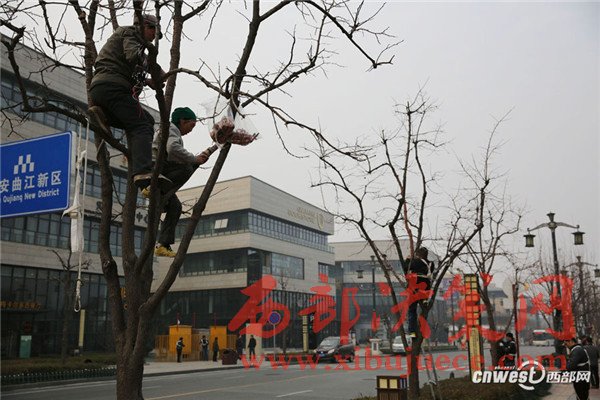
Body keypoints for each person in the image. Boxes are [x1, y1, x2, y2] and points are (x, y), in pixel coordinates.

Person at [88, 13, 170, 192]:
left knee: (145, 121)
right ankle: (142, 171)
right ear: (144, 26)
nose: (154, 37)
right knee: (142, 124)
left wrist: (148, 81)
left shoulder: (129, 41)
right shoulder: (130, 33)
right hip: (113, 87)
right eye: (153, 31)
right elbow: (133, 56)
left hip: (102, 89)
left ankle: (103, 116)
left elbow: (131, 66)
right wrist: (155, 69)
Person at [150, 107, 217, 257]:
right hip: (156, 169)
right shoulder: (171, 129)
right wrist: (193, 159)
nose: (191, 130)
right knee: (186, 168)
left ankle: (163, 244)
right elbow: (173, 149)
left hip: (163, 170)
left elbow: (174, 155)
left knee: (175, 206)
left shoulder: (173, 132)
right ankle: (159, 190)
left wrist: (202, 156)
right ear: (182, 121)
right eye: (191, 126)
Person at [406, 247, 434, 337]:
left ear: (419, 254)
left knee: (412, 310)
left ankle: (412, 332)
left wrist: (408, 260)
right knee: (423, 310)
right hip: (426, 287)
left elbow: (406, 268)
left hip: (415, 287)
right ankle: (424, 300)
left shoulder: (416, 262)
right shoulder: (431, 264)